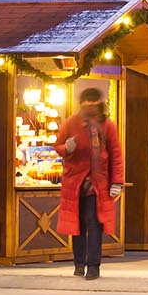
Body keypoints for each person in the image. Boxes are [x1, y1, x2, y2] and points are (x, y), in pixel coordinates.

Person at [55, 86, 124, 281]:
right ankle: (79, 263)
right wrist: (67, 148)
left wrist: (117, 181)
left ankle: (93, 266)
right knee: (77, 224)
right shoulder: (71, 123)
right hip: (75, 181)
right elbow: (58, 146)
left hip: (97, 182)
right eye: (88, 102)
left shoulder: (108, 126)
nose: (91, 106)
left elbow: (116, 155)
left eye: (94, 102)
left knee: (94, 223)